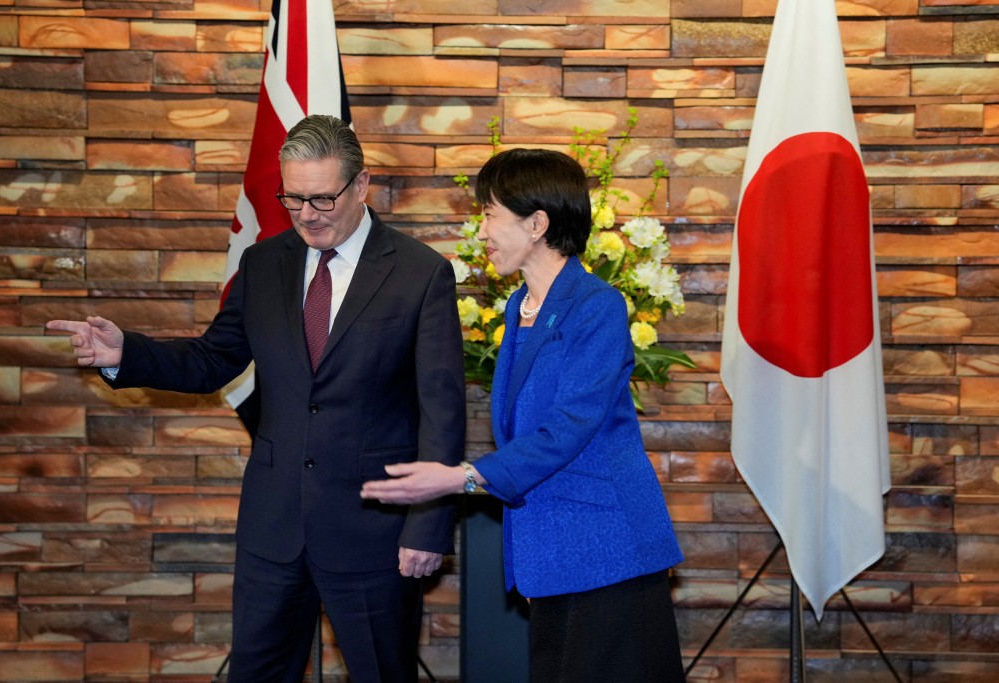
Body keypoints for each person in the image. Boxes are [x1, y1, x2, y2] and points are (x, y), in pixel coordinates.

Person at [47, 115, 466, 682]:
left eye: (322, 199)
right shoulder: (264, 262)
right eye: (293, 199)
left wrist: (428, 528)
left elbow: (442, 411)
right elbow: (213, 360)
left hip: (374, 532)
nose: (307, 215)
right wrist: (127, 354)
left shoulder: (421, 273)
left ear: (362, 184)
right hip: (273, 529)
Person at [361, 148, 686, 681]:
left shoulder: (596, 305)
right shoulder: (519, 306)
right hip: (553, 551)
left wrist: (462, 476)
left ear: (537, 224)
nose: (481, 230)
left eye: (489, 213)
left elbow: (566, 430)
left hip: (605, 549)